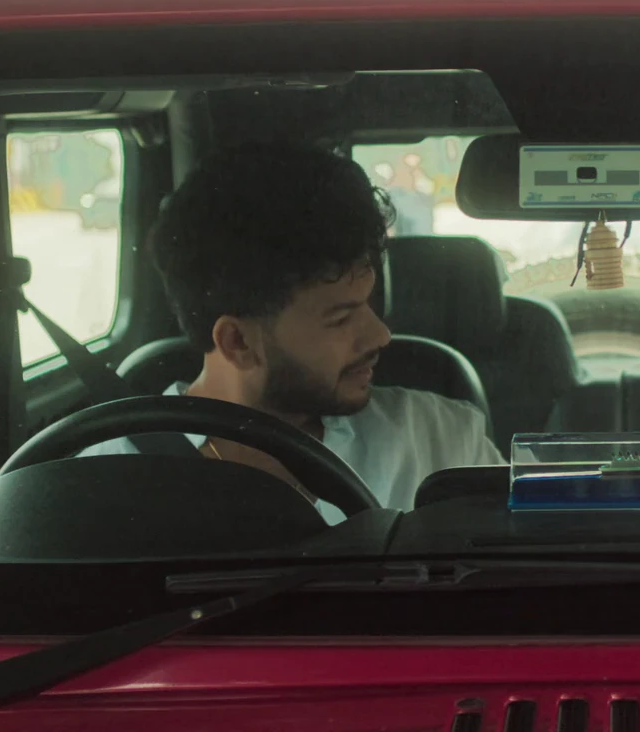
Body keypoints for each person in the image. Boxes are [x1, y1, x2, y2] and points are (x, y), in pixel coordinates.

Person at [81, 143, 504, 524]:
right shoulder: (106, 479)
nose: (380, 335)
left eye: (368, 304)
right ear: (238, 342)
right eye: (340, 318)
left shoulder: (441, 440)